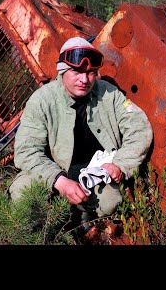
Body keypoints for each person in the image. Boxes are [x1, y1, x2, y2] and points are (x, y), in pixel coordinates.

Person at [9, 36, 153, 236]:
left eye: (91, 73)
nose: (84, 80)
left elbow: (139, 129)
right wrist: (59, 181)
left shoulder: (109, 94)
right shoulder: (41, 101)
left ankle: (84, 224)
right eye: (76, 72)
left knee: (111, 201)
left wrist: (120, 164)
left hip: (94, 176)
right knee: (22, 192)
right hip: (52, 174)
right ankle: (40, 233)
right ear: (62, 71)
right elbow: (26, 152)